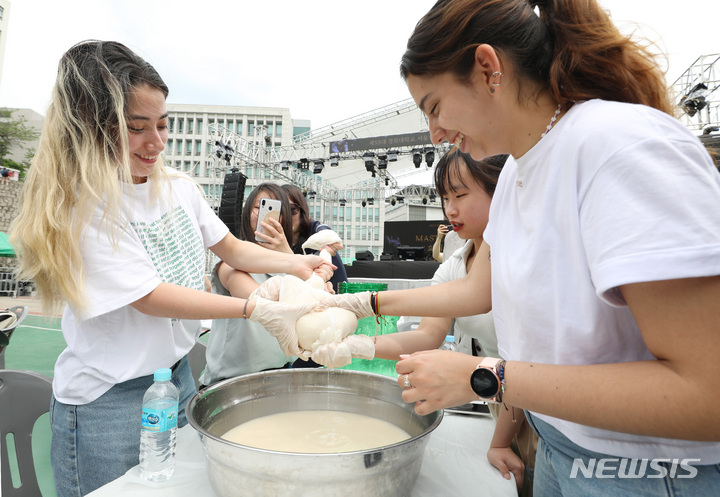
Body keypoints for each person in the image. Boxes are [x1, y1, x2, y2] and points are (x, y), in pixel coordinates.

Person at [319, 0, 720, 494]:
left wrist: (485, 377)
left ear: (489, 68)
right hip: (558, 439)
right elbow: (475, 293)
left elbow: (708, 393)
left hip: (643, 469)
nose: (435, 133)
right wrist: (360, 303)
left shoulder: (616, 145)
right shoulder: (516, 174)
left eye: (434, 107)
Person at [8, 40, 329, 497]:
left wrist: (299, 264)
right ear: (91, 128)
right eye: (137, 128)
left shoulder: (178, 188)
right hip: (109, 401)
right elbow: (150, 296)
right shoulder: (85, 206)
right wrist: (253, 309)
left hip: (175, 379)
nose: (156, 142)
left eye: (162, 125)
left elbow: (234, 249)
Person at [375, 149, 537, 494]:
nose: (450, 209)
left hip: (531, 407)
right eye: (445, 197)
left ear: (502, 189)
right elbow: (426, 334)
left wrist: (501, 441)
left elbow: (523, 361)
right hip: (495, 399)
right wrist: (356, 346)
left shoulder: (521, 260)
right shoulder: (456, 263)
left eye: (461, 195)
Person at [200, 183, 297, 386]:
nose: (267, 214)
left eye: (276, 209)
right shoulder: (230, 263)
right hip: (231, 383)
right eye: (259, 206)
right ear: (247, 213)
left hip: (281, 377)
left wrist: (287, 253)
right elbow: (260, 299)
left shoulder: (292, 263)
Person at [281, 183, 348, 292]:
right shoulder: (268, 242)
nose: (286, 216)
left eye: (292, 209)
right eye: (280, 211)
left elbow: (323, 230)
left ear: (302, 211)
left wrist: (329, 239)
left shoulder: (314, 232)